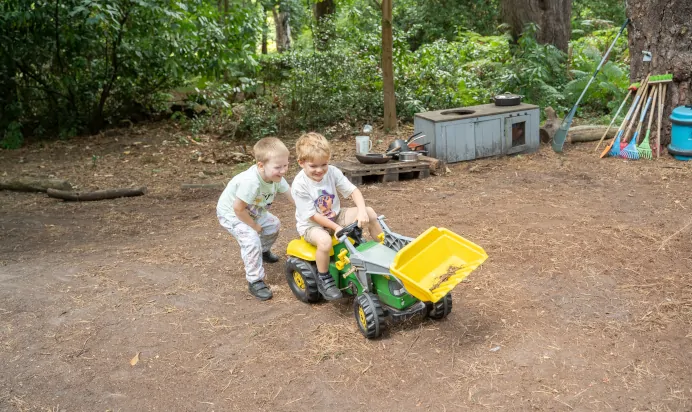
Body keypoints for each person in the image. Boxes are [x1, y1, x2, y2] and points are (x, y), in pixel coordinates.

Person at [291, 132, 383, 300]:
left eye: (324, 164)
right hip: (312, 225)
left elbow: (353, 191)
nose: (319, 170)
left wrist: (361, 211)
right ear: (301, 163)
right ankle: (324, 277)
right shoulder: (299, 184)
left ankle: (383, 247)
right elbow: (311, 215)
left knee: (370, 212)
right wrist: (336, 228)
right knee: (325, 242)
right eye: (313, 166)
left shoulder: (332, 172)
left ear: (329, 159)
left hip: (336, 215)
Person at [217, 137, 294, 301]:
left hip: (253, 211)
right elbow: (238, 209)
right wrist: (254, 226)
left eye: (286, 165)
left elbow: (292, 195)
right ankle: (255, 280)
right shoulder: (251, 182)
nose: (283, 170)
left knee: (274, 225)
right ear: (261, 165)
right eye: (278, 167)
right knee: (251, 240)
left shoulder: (275, 178)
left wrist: (307, 209)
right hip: (232, 214)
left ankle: (263, 250)